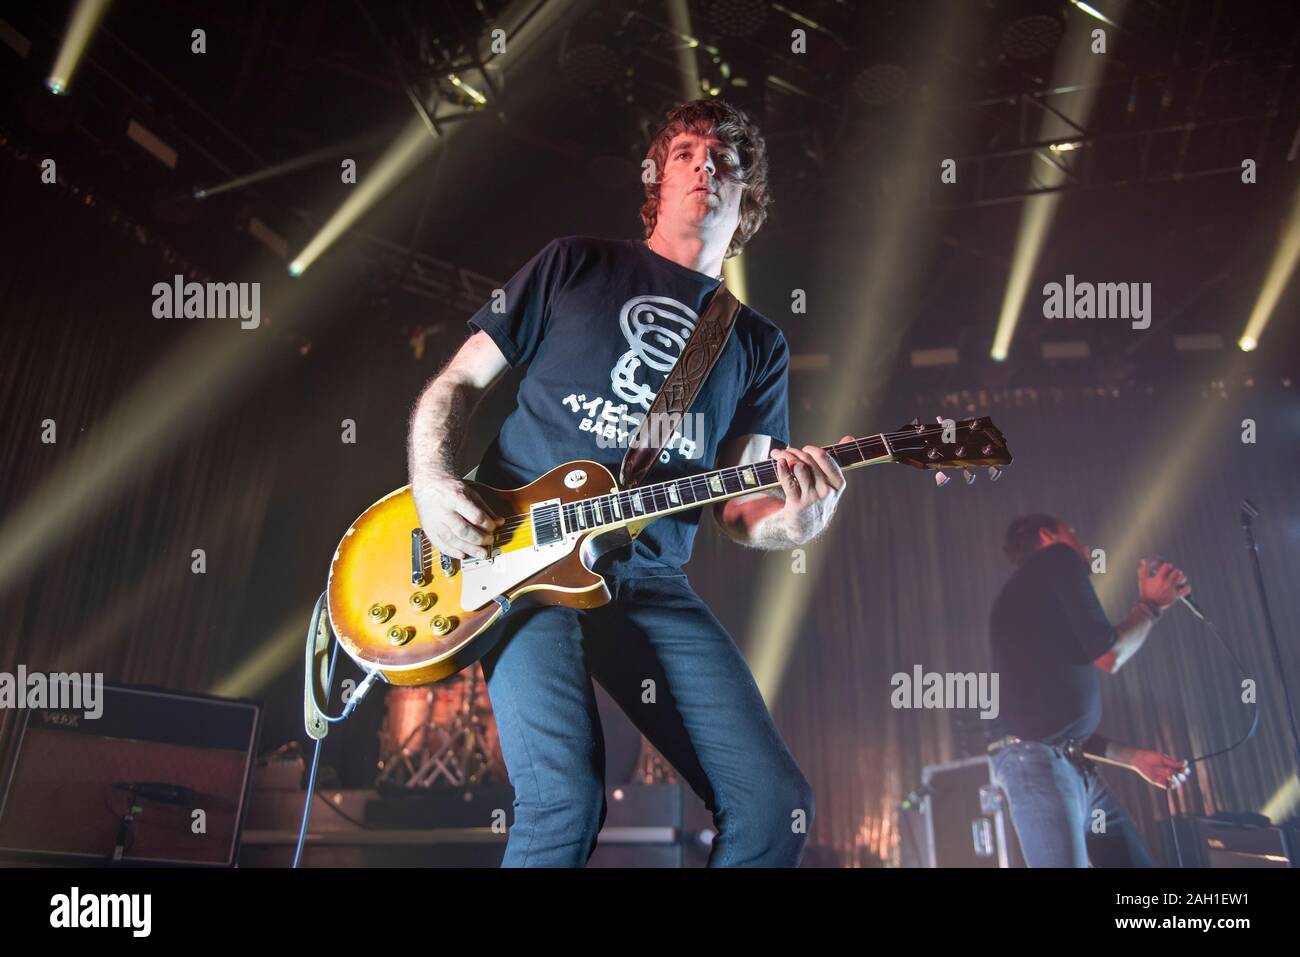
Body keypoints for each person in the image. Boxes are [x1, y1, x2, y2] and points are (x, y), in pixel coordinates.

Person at [406, 99, 851, 866]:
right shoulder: (573, 262)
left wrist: (802, 520)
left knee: (777, 808)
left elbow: (744, 510)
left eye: (726, 160)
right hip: (520, 559)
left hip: (647, 579)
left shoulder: (754, 343)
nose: (706, 166)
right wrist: (430, 475)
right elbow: (456, 384)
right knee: (565, 800)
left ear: (749, 200)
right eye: (685, 152)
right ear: (656, 178)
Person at [987, 514, 1192, 867]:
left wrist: (1132, 758)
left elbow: (1052, 722)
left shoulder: (1036, 604)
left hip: (1067, 765)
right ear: (1047, 536)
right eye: (1073, 533)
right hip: (1038, 766)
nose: (1083, 545)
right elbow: (1109, 655)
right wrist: (1151, 606)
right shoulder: (1057, 558)